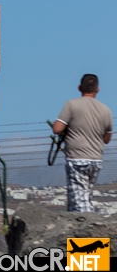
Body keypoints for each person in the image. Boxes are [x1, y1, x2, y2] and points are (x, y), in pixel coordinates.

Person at [53, 73, 112, 213]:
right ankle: (78, 231)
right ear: (97, 89)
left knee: (79, 201)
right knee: (85, 196)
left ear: (79, 88)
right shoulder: (106, 110)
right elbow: (107, 138)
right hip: (96, 159)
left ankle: (89, 230)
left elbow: (57, 129)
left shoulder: (72, 105)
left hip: (77, 158)